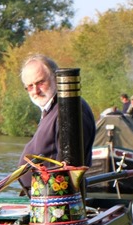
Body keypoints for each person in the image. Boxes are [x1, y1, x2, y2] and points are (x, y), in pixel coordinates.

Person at [16, 54, 96, 189]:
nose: (35, 90)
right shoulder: (51, 110)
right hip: (42, 198)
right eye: (30, 86)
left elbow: (69, 168)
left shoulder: (70, 110)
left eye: (41, 82)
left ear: (56, 78)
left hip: (57, 203)